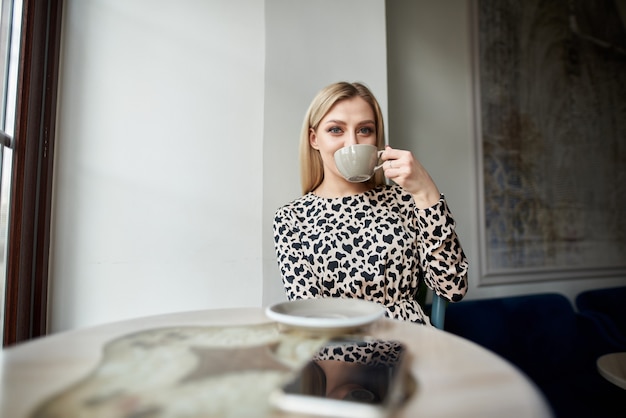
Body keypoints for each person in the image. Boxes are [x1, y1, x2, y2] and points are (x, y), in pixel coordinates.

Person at [272, 81, 468, 325]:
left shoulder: (406, 201)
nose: (352, 143)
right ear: (314, 139)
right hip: (338, 350)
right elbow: (309, 315)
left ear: (376, 139)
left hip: (409, 343)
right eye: (336, 130)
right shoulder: (291, 218)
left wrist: (427, 191)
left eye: (364, 130)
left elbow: (453, 288)